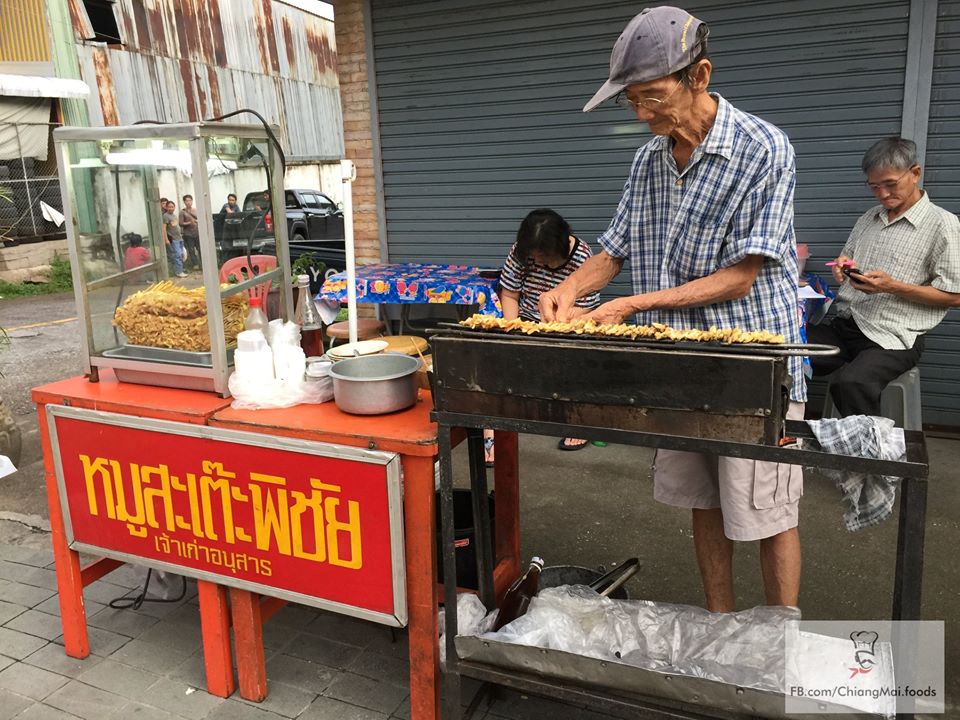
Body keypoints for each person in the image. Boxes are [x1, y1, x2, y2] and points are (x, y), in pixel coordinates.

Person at [539, 6, 805, 612]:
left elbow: (742, 276)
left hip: (752, 364)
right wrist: (571, 289)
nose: (642, 114)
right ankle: (720, 622)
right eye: (631, 101)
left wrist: (631, 305)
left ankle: (780, 637)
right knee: (703, 502)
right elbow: (616, 247)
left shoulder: (764, 149)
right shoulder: (650, 158)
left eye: (653, 97)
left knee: (766, 507)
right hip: (677, 365)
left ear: (700, 75)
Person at [807, 137, 960, 416]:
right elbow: (848, 257)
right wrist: (843, 266)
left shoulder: (942, 224)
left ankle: (870, 454)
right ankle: (775, 443)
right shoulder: (870, 217)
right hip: (847, 326)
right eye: (875, 187)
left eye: (890, 184)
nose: (883, 194)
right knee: (785, 351)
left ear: (914, 173)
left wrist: (892, 287)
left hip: (894, 338)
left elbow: (955, 296)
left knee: (851, 383)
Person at [483, 209, 600, 464]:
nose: (542, 264)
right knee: (498, 363)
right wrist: (512, 330)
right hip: (527, 318)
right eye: (536, 258)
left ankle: (579, 424)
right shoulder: (520, 252)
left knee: (578, 360)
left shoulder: (582, 255)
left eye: (546, 258)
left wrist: (557, 325)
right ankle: (492, 434)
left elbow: (588, 303)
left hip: (567, 320)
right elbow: (511, 294)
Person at [163, 199, 187, 278]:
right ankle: (178, 272)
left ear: (174, 207)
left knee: (181, 255)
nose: (171, 208)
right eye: (169, 207)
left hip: (179, 238)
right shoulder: (166, 216)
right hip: (173, 239)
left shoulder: (174, 215)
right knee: (178, 255)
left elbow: (176, 227)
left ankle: (180, 270)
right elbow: (164, 228)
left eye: (172, 207)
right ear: (166, 207)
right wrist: (166, 239)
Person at [180, 194, 201, 269]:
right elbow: (181, 223)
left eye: (190, 200)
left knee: (200, 248)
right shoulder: (182, 212)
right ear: (184, 202)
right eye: (187, 201)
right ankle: (195, 264)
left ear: (192, 201)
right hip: (188, 234)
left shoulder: (196, 210)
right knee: (191, 250)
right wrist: (189, 222)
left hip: (197, 232)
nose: (188, 202)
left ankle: (202, 264)